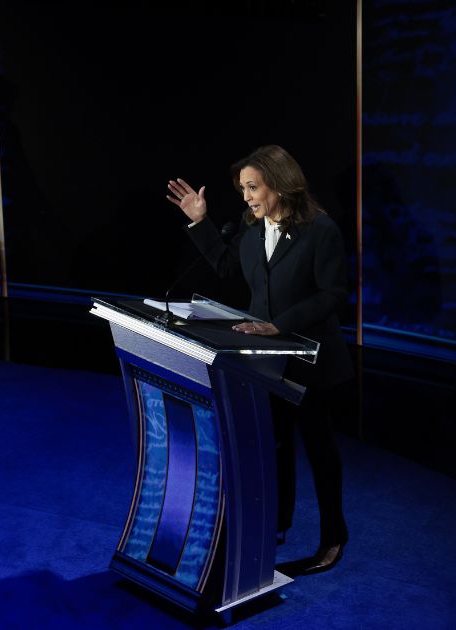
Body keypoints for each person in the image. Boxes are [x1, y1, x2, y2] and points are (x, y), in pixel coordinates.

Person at [165, 145, 353, 576]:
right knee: (276, 445)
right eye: (243, 189)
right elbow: (228, 267)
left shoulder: (320, 231)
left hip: (312, 361)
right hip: (266, 363)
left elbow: (333, 294)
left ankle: (333, 538)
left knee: (320, 451)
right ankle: (277, 522)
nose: (247, 196)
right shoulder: (252, 230)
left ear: (279, 182)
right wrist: (200, 221)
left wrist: (279, 324)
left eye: (253, 186)